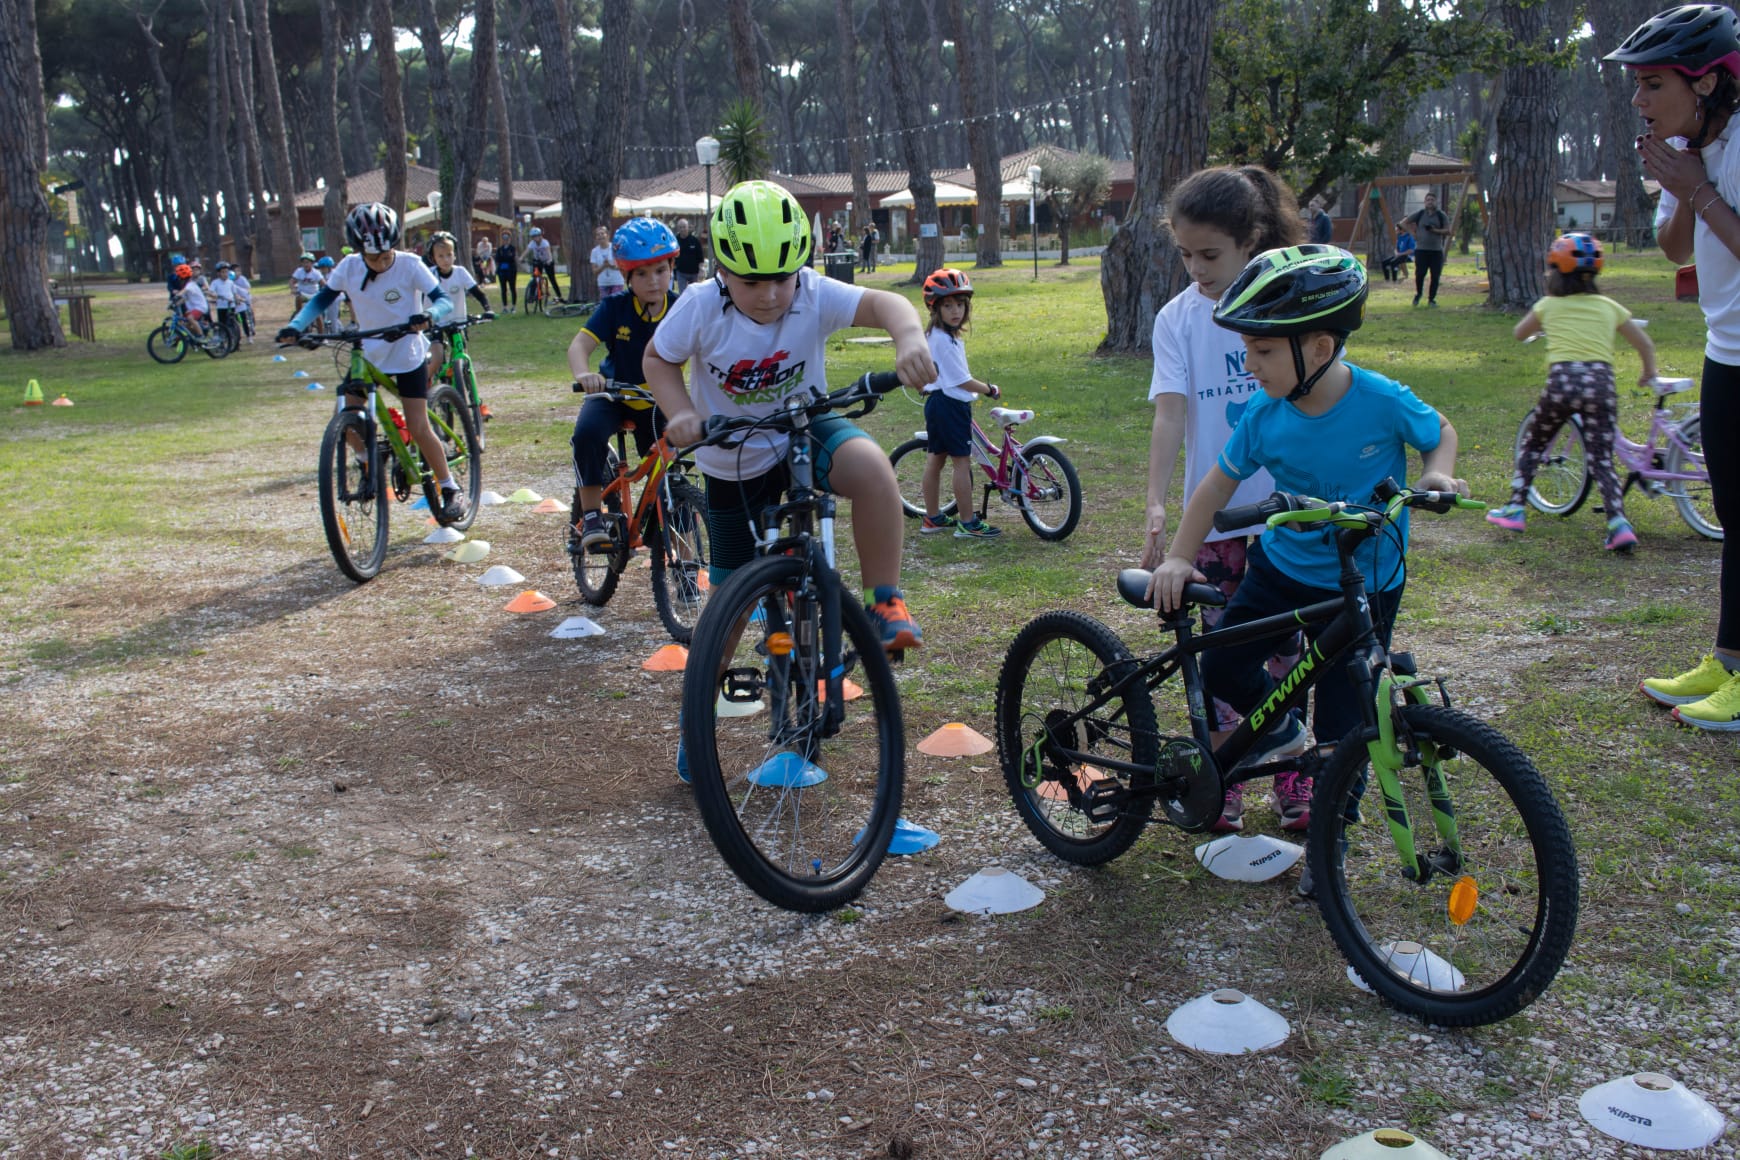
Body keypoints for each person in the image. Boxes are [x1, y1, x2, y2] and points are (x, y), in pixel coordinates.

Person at [1149, 246, 1468, 894]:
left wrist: (1437, 471)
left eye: (1262, 352)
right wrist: (1180, 554)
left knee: (1348, 727)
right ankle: (1285, 737)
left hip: (1371, 582)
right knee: (1228, 668)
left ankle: (1329, 850)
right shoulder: (1265, 416)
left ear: (1318, 348)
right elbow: (1212, 492)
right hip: (1283, 571)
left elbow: (1439, 431)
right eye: (1247, 348)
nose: (1248, 364)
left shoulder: (1379, 399)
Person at [643, 179, 937, 656]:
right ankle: (694, 721)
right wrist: (681, 412)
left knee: (874, 469)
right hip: (731, 453)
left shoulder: (812, 293)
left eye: (784, 277)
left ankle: (884, 602)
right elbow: (658, 359)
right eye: (751, 281)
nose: (771, 294)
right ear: (722, 270)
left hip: (802, 428)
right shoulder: (699, 306)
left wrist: (910, 339)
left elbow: (888, 304)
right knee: (728, 608)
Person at [1141, 165, 1309, 835]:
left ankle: (1296, 781)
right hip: (1214, 524)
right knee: (1220, 662)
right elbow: (1170, 416)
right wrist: (1157, 503)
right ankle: (1228, 782)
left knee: (1290, 661)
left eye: (1209, 254)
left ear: (1252, 241)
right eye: (1184, 253)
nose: (1195, 268)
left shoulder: (1289, 301)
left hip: (1288, 518)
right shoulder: (1177, 318)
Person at [1614, 3, 1740, 729]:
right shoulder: (1691, 148)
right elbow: (1674, 250)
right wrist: (1683, 183)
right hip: (1727, 350)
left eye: (1652, 85)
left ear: (1706, 83)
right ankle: (1728, 659)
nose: (1639, 101)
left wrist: (1696, 186)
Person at [277, 202, 467, 525]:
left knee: (419, 427)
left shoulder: (408, 265)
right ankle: (368, 460)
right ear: (360, 251)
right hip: (369, 353)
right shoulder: (349, 267)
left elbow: (443, 300)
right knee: (346, 417)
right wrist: (297, 326)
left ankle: (450, 487)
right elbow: (323, 299)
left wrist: (428, 316)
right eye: (372, 258)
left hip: (407, 352)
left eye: (385, 255)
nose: (380, 263)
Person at [1486, 233, 1657, 552]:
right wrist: (1648, 372)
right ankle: (1618, 523)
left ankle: (1515, 507)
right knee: (1601, 458)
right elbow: (1644, 343)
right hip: (1600, 385)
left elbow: (1519, 332)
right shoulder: (1609, 306)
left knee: (1535, 442)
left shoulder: (1549, 305)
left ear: (1556, 272)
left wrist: (1543, 325)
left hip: (1562, 384)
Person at [566, 218, 681, 551]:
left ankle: (687, 557)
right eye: (641, 274)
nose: (653, 281)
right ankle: (590, 517)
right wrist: (584, 374)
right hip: (614, 394)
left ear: (671, 267)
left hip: (658, 399)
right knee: (587, 435)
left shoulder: (680, 308)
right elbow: (579, 346)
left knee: (673, 469)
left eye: (660, 270)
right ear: (626, 275)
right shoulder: (614, 307)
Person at [916, 268, 1004, 540]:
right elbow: (962, 380)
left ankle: (932, 518)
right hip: (950, 405)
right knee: (961, 463)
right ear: (936, 309)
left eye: (960, 305)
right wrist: (989, 389)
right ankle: (968, 522)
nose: (955, 311)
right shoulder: (943, 340)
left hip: (938, 403)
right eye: (948, 305)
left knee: (936, 459)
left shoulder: (939, 336)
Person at [424, 231, 492, 381]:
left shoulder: (460, 272)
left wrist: (488, 309)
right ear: (433, 258)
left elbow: (478, 293)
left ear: (454, 255)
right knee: (437, 357)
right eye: (440, 256)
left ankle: (468, 390)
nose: (445, 259)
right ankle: (429, 387)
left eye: (449, 254)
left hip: (458, 321)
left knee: (463, 355)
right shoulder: (428, 274)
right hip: (436, 323)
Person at [1403, 191, 1451, 307]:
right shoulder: (1420, 214)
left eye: (1432, 200)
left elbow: (1448, 231)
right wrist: (1412, 233)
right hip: (1421, 250)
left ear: (1436, 202)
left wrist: (1435, 230)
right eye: (1428, 200)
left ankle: (1431, 299)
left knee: (1435, 276)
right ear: (1425, 202)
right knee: (1420, 274)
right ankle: (1418, 294)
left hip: (1436, 251)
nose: (1430, 202)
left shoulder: (1441, 215)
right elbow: (1403, 223)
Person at [172, 262, 208, 339]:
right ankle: (193, 337)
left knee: (190, 318)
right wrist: (175, 304)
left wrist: (177, 296)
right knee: (186, 325)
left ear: (183, 278)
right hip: (194, 308)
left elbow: (182, 292)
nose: (178, 280)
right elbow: (184, 298)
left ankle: (201, 336)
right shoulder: (187, 285)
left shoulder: (190, 285)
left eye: (179, 278)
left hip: (200, 307)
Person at [589, 225, 625, 298]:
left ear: (608, 235)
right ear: (596, 238)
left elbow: (622, 265)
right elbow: (594, 271)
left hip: (617, 282)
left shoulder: (615, 248)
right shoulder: (594, 251)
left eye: (602, 233)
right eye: (598, 234)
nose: (600, 236)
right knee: (606, 306)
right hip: (603, 283)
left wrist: (611, 265)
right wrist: (604, 266)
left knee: (615, 304)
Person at [526, 226, 561, 298]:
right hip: (538, 261)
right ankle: (532, 295)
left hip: (547, 261)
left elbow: (549, 252)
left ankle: (559, 295)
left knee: (552, 279)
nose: (535, 238)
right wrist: (521, 258)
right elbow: (526, 251)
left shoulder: (545, 243)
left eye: (536, 236)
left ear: (540, 236)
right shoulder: (532, 243)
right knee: (535, 277)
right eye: (533, 237)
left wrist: (549, 260)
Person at [208, 260, 238, 342]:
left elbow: (234, 293)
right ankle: (223, 338)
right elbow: (210, 292)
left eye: (226, 272)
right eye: (223, 272)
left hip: (231, 305)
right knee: (222, 323)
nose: (225, 274)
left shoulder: (231, 282)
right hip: (221, 306)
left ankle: (235, 338)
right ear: (218, 273)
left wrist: (237, 299)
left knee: (233, 322)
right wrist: (214, 295)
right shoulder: (215, 282)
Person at [672, 217, 704, 292]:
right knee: (682, 294)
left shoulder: (694, 240)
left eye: (684, 227)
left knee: (694, 293)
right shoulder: (675, 241)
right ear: (678, 228)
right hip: (681, 272)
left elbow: (701, 257)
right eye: (680, 227)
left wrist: (701, 271)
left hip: (694, 273)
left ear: (688, 227)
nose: (682, 229)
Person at [291, 252, 322, 325]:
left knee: (317, 315)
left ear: (312, 263)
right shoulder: (299, 271)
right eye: (304, 262)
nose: (306, 264)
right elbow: (292, 281)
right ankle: (299, 315)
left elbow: (323, 283)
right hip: (303, 294)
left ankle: (321, 333)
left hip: (314, 295)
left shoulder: (316, 273)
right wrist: (293, 288)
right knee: (298, 298)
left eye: (308, 262)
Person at [229, 264, 255, 343]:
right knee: (236, 320)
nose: (237, 273)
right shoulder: (230, 281)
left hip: (244, 302)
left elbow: (247, 289)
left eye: (238, 271)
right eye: (235, 271)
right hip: (234, 303)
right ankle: (237, 337)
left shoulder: (242, 279)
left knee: (246, 319)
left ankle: (249, 335)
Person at [315, 255, 341, 332]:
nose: (322, 270)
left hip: (335, 297)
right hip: (325, 297)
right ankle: (340, 329)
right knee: (326, 315)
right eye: (321, 268)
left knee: (332, 316)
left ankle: (335, 333)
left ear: (329, 267)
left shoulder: (334, 274)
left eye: (324, 267)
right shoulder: (321, 275)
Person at [495, 231, 519, 313]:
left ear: (510, 239)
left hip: (511, 270)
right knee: (503, 289)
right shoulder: (500, 249)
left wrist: (505, 258)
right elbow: (497, 259)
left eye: (507, 238)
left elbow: (511, 258)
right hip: (502, 271)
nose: (506, 240)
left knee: (512, 288)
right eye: (504, 238)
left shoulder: (513, 248)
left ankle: (513, 306)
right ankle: (505, 307)